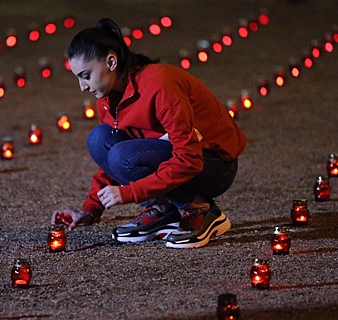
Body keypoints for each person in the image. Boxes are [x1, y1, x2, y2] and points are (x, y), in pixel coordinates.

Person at [51, 18, 246, 248]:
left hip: (214, 163)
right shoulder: (106, 99)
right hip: (172, 157)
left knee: (122, 155)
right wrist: (90, 209)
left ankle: (202, 209)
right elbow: (109, 165)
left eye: (85, 75)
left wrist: (131, 192)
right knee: (99, 139)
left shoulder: (159, 84)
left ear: (111, 61)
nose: (82, 87)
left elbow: (189, 159)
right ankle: (164, 208)